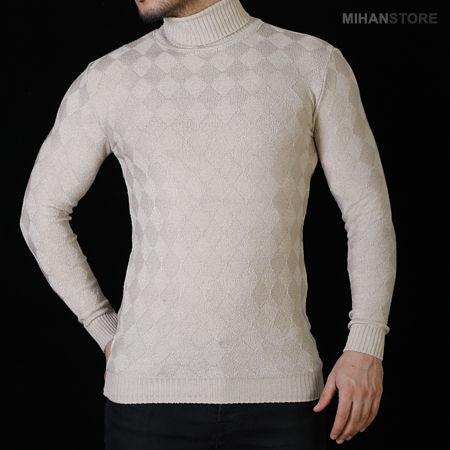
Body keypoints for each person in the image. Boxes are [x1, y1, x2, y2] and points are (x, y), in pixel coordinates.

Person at [19, 0, 396, 448]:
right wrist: (103, 327)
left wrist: (366, 343)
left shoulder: (313, 63)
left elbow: (367, 210)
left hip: (282, 396)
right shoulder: (110, 77)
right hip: (147, 399)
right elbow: (40, 212)